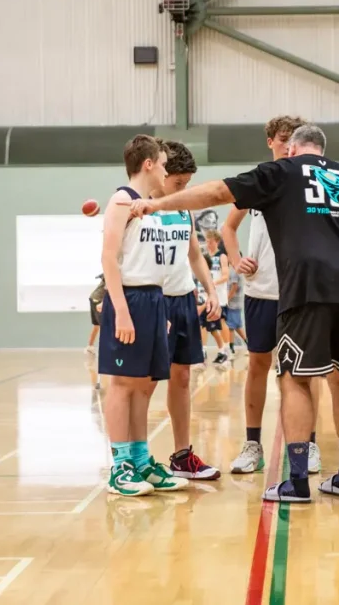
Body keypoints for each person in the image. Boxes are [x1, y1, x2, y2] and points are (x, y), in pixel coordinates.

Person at [129, 124, 339, 502]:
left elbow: (217, 192)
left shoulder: (282, 170)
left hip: (305, 284)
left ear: (292, 149)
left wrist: (157, 203)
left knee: (294, 378)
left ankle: (297, 482)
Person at [220, 116, 323, 477]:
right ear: (270, 142)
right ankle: (252, 444)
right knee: (259, 365)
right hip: (262, 290)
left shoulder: (313, 181)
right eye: (281, 140)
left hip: (301, 290)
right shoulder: (262, 180)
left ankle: (308, 443)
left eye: (292, 140)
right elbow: (227, 227)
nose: (287, 145)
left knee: (306, 373)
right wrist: (235, 259)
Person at [98, 134, 188, 496]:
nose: (166, 169)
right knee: (122, 385)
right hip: (130, 299)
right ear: (148, 164)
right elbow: (109, 258)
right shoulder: (122, 200)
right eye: (163, 163)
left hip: (152, 299)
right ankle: (119, 467)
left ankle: (138, 459)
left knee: (142, 386)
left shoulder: (147, 206)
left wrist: (159, 307)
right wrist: (121, 310)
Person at [153, 139, 223, 479]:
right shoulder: (139, 207)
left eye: (187, 183)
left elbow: (194, 253)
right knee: (145, 382)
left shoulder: (183, 210)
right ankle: (132, 457)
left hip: (183, 300)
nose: (184, 189)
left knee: (182, 377)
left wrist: (210, 290)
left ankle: (182, 456)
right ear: (161, 173)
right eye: (179, 183)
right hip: (155, 301)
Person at [203, 230, 231, 365]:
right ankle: (212, 350)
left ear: (217, 242)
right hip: (208, 295)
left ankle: (227, 348)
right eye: (207, 241)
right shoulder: (206, 256)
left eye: (211, 242)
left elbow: (226, 276)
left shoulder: (222, 256)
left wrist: (213, 283)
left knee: (222, 322)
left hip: (220, 295)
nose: (208, 244)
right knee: (207, 324)